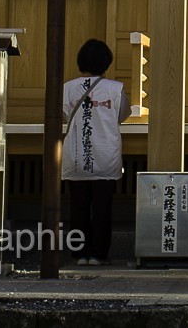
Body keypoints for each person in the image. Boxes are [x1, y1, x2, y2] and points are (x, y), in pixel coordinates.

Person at [63, 39, 127, 266]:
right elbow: (122, 115)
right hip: (105, 154)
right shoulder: (116, 89)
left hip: (77, 155)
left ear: (80, 61)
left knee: (78, 206)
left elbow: (64, 115)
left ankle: (79, 254)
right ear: (106, 63)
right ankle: (100, 254)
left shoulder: (68, 88)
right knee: (103, 208)